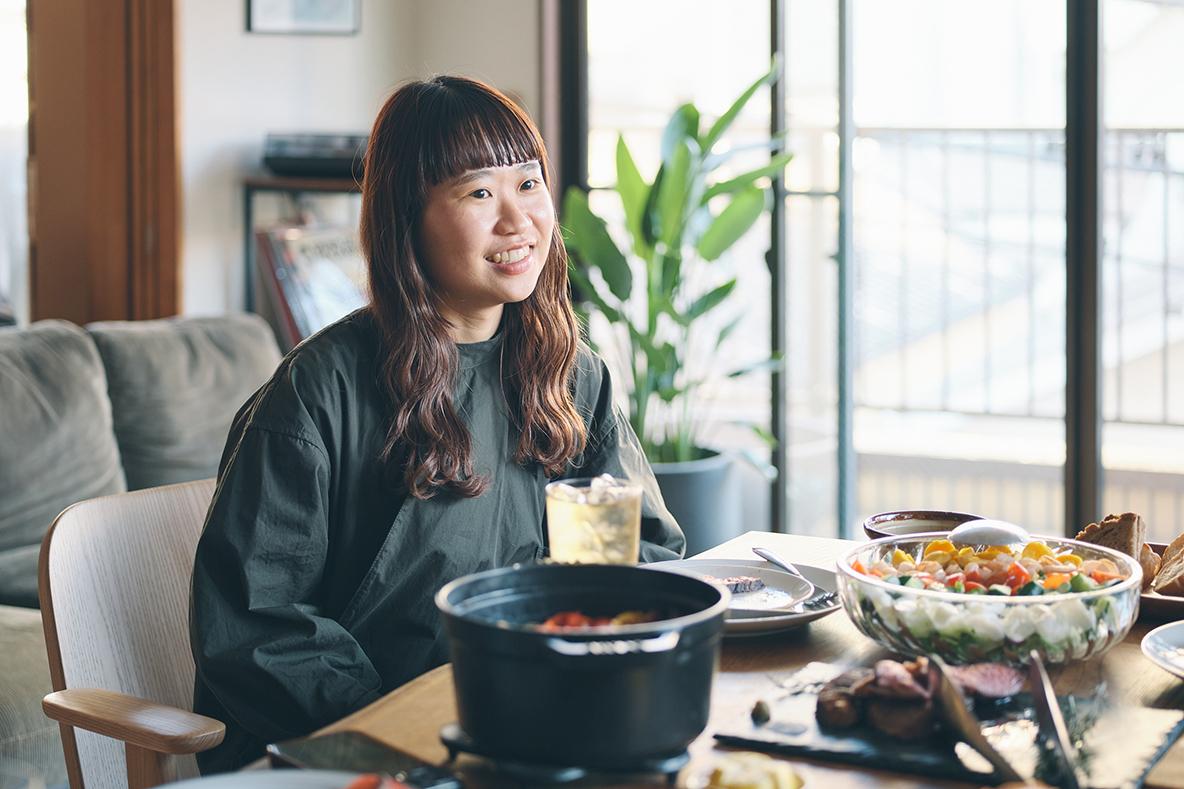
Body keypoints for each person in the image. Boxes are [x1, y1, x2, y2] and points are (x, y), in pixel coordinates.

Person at [189, 75, 685, 774]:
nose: (518, 220)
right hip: (360, 752)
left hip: (533, 730)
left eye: (529, 184)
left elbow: (644, 557)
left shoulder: (570, 373)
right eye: (479, 192)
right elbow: (254, 628)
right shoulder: (316, 391)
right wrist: (413, 731)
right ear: (406, 216)